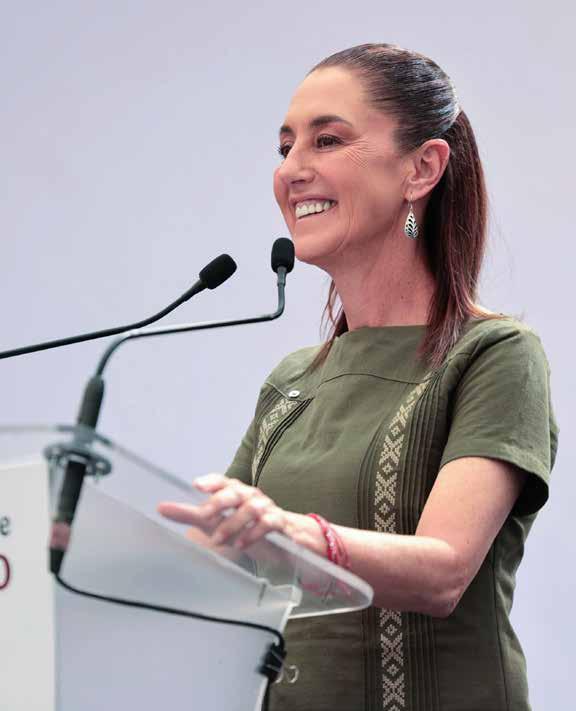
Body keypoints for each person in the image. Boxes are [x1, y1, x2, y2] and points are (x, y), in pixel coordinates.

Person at [158, 43, 559, 711]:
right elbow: (214, 552)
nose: (291, 170)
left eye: (327, 140)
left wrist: (291, 533)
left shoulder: (494, 354)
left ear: (422, 168)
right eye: (285, 147)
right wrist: (62, 537)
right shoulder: (292, 380)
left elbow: (443, 570)